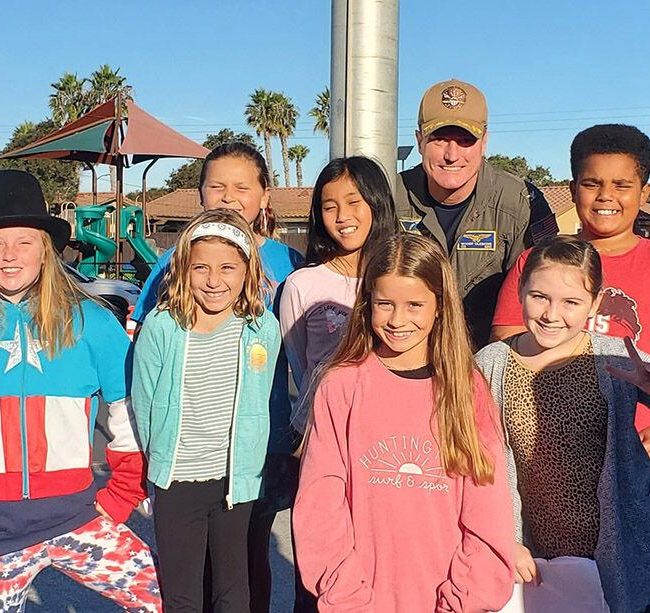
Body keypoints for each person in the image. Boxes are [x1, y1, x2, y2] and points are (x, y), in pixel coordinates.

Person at [293, 233, 515, 612]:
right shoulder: (342, 385)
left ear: (440, 306)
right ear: (368, 303)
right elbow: (320, 505)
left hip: (448, 601)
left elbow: (487, 510)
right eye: (385, 304)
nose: (398, 320)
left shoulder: (466, 388)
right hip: (359, 602)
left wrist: (463, 599)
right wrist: (348, 599)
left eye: (414, 305)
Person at [131, 142, 302, 612]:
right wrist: (150, 452)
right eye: (217, 186)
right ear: (201, 193)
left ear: (264, 195)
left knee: (246, 566)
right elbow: (146, 380)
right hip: (183, 463)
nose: (229, 196)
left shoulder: (290, 269)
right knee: (189, 579)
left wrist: (297, 432)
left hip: (254, 454)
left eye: (242, 187)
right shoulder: (170, 278)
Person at [0, 170, 160, 612]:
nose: (9, 255)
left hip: (79, 518)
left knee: (165, 598)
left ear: (45, 250)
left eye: (23, 242)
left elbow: (130, 413)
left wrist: (123, 494)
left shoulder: (92, 322)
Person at [476, 236, 650, 613]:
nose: (552, 314)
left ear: (596, 302)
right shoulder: (490, 364)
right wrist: (504, 538)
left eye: (571, 302)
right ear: (520, 291)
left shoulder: (613, 356)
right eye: (540, 297)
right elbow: (476, 465)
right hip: (532, 560)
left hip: (616, 557)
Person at [492, 124, 650, 436]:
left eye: (621, 185)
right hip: (546, 442)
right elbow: (506, 347)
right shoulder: (537, 261)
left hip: (636, 446)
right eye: (592, 184)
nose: (606, 196)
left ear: (644, 192)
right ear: (573, 189)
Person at [395, 78, 558, 348]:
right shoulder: (389, 197)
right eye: (439, 139)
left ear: (484, 142)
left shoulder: (522, 202)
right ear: (419, 141)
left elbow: (547, 290)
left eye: (465, 140)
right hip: (407, 354)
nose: (451, 154)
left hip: (489, 357)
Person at [279, 156, 401, 437]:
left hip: (389, 429)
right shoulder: (302, 284)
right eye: (329, 207)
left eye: (353, 202)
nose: (342, 216)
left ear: (377, 202)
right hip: (322, 430)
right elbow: (301, 366)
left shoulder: (402, 280)